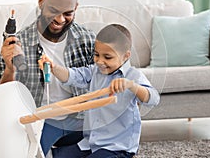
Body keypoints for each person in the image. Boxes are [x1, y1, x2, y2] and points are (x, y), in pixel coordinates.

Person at [0, 0, 96, 156]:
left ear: (76, 8)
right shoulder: (18, 43)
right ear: (41, 1)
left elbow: (106, 79)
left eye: (68, 13)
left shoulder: (87, 40)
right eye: (54, 10)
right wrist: (10, 69)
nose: (60, 19)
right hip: (41, 124)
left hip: (79, 122)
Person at [39, 24, 160, 158]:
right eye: (96, 55)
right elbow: (72, 76)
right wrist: (54, 67)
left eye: (107, 57)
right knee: (53, 156)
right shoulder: (95, 71)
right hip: (90, 142)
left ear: (126, 56)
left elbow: (154, 99)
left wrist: (132, 86)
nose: (100, 61)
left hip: (117, 147)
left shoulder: (133, 76)